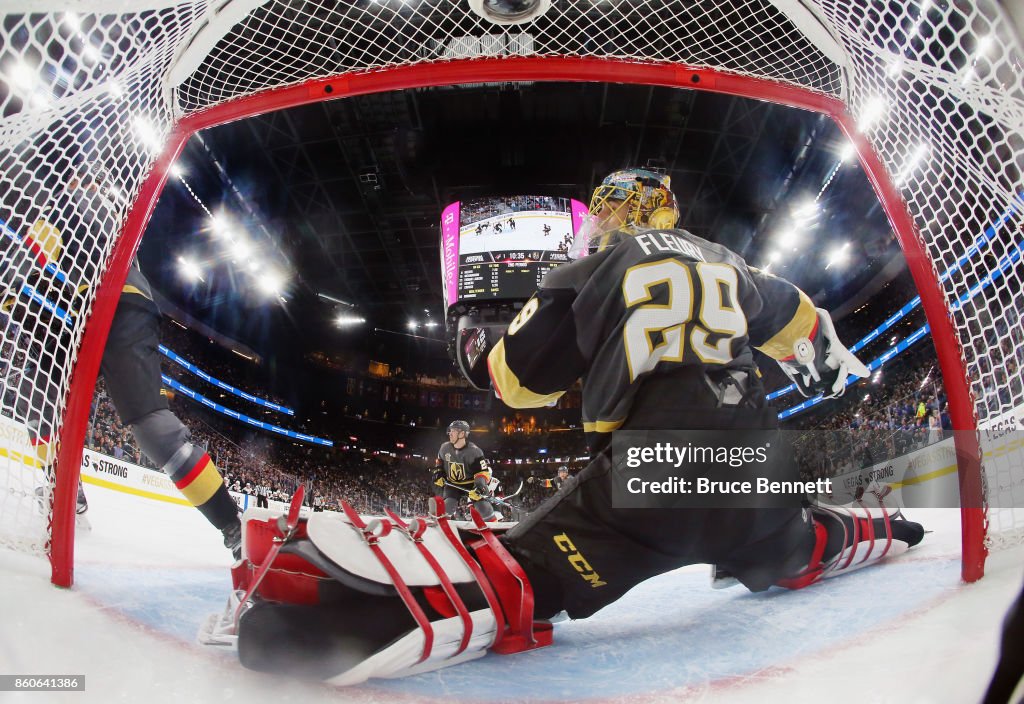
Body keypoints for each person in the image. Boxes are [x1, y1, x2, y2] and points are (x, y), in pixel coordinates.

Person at [225, 168, 924, 683]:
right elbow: (813, 339)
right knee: (798, 546)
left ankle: (340, 622)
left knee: (520, 579)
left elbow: (517, 383)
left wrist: (487, 349)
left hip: (650, 486)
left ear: (617, 214)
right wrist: (849, 387)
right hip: (760, 473)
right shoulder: (734, 265)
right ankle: (880, 531)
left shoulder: (593, 268)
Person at [3, 169, 242, 558]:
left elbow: (41, 245)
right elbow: (46, 253)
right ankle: (67, 490)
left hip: (120, 303)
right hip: (84, 309)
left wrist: (16, 280)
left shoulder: (82, 205)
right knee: (38, 389)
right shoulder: (93, 213)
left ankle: (234, 527)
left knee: (151, 427)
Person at [432, 419, 496, 520]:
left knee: (484, 508)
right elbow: (439, 463)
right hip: (452, 484)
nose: (450, 433)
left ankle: (494, 528)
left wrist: (479, 487)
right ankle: (442, 525)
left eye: (453, 431)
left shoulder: (475, 451)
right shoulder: (444, 448)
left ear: (462, 433)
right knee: (447, 507)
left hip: (471, 485)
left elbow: (482, 472)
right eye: (450, 431)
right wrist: (438, 474)